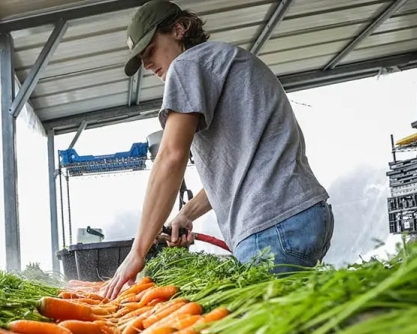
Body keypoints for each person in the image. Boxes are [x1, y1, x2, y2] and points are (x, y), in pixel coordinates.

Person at [104, 0, 334, 299]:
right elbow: (238, 170)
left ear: (178, 29)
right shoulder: (224, 60)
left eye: (150, 51)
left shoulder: (187, 65)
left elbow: (171, 157)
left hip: (272, 226)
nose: (147, 65)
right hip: (301, 215)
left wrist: (138, 251)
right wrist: (186, 213)